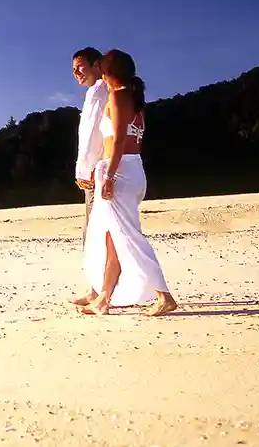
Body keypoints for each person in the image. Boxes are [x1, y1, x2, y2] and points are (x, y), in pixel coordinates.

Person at [77, 49, 178, 317]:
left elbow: (120, 140)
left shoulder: (119, 95)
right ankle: (104, 299)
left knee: (128, 237)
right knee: (113, 238)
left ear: (108, 71)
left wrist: (108, 176)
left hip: (120, 171)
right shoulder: (131, 97)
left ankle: (163, 295)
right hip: (127, 169)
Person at [67, 47, 110, 307]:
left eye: (80, 67)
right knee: (92, 233)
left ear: (97, 65)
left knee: (96, 234)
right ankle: (96, 289)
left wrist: (89, 170)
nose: (75, 73)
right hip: (92, 173)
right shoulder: (93, 93)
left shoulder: (103, 91)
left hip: (98, 172)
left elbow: (97, 136)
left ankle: (100, 292)